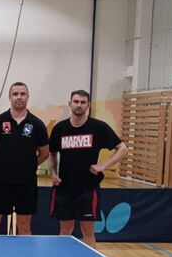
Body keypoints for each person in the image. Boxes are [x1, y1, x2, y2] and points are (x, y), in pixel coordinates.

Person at [48, 90, 128, 248]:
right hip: (64, 188)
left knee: (88, 231)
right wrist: (53, 173)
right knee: (65, 230)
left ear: (88, 105)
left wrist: (103, 166)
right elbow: (52, 153)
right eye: (76, 101)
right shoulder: (59, 128)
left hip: (88, 189)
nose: (79, 105)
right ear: (70, 104)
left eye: (83, 102)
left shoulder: (98, 127)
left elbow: (122, 148)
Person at [0, 82, 49, 235]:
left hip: (26, 184)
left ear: (28, 97)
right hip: (0, 182)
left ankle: (24, 252)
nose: (19, 97)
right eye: (15, 94)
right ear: (10, 97)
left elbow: (44, 153)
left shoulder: (37, 124)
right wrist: (1, 163)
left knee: (24, 226)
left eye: (22, 94)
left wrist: (28, 165)